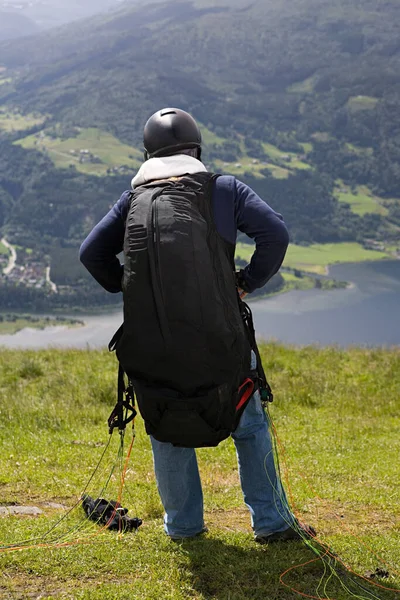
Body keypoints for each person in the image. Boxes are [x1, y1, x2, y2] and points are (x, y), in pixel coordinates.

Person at [79, 107, 315, 543]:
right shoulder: (222, 189)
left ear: (147, 152)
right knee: (249, 423)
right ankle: (272, 523)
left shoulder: (132, 200)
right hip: (218, 339)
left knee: (165, 427)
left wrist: (128, 289)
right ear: (197, 147)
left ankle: (184, 528)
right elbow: (275, 234)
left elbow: (91, 253)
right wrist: (245, 282)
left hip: (150, 340)